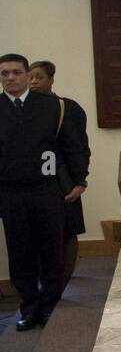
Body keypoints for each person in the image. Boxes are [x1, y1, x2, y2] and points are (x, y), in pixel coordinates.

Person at [0, 54, 88, 330]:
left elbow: (74, 146)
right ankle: (29, 307)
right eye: (4, 74)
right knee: (20, 252)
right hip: (10, 193)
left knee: (52, 250)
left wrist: (79, 180)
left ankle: (51, 305)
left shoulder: (54, 107)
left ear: (28, 75)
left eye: (16, 72)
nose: (10, 78)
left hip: (47, 190)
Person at [28, 60, 91, 286]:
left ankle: (63, 285)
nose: (33, 81)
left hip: (63, 181)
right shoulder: (20, 109)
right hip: (31, 183)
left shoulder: (67, 108)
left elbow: (79, 146)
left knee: (67, 230)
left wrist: (79, 179)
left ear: (51, 79)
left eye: (39, 76)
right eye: (30, 76)